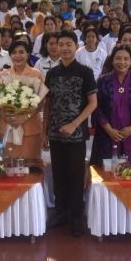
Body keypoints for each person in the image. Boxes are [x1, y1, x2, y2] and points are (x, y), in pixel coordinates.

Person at [43, 30, 97, 237]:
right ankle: (61, 213)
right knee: (59, 175)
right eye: (60, 44)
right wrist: (45, 132)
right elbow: (47, 105)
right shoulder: (52, 74)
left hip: (76, 134)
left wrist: (75, 124)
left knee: (75, 176)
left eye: (69, 44)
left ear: (76, 47)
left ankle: (76, 217)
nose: (64, 48)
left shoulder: (85, 72)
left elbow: (93, 103)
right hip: (55, 134)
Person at [90, 44, 131, 166]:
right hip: (107, 135)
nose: (122, 62)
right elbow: (97, 108)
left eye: (126, 59)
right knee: (107, 175)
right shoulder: (102, 81)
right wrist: (109, 130)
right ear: (112, 61)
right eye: (118, 58)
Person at [0, 40, 44, 162]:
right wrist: (6, 116)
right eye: (14, 52)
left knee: (30, 167)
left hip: (30, 128)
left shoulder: (36, 74)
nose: (17, 56)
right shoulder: (3, 75)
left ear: (28, 54)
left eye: (21, 52)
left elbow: (41, 101)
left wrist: (26, 116)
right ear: (10, 55)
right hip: (8, 126)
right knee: (8, 166)